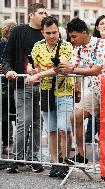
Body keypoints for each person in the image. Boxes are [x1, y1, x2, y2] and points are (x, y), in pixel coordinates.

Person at [58, 18, 105, 166]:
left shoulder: (102, 44)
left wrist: (71, 69)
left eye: (74, 36)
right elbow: (70, 66)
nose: (72, 40)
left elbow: (96, 70)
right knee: (76, 116)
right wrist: (60, 65)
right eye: (70, 37)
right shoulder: (79, 49)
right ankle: (81, 155)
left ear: (84, 33)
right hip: (96, 89)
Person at [25, 16, 74, 178]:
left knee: (64, 128)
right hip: (46, 91)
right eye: (48, 33)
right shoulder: (37, 47)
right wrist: (31, 71)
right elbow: (32, 64)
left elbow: (60, 68)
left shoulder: (66, 46)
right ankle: (54, 163)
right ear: (42, 33)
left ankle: (65, 161)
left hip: (64, 90)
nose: (52, 36)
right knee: (52, 129)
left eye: (55, 32)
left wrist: (36, 76)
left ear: (59, 30)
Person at [1, 3, 47, 173]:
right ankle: (17, 159)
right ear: (31, 15)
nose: (44, 15)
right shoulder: (19, 31)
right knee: (23, 122)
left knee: (37, 123)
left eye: (45, 12)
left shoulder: (46, 33)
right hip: (22, 84)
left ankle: (33, 159)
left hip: (43, 86)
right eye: (41, 12)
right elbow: (6, 56)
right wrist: (8, 71)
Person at [0, 19, 17, 156]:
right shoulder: (4, 44)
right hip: (6, 86)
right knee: (7, 116)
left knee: (8, 116)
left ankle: (8, 144)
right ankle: (7, 144)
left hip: (8, 85)